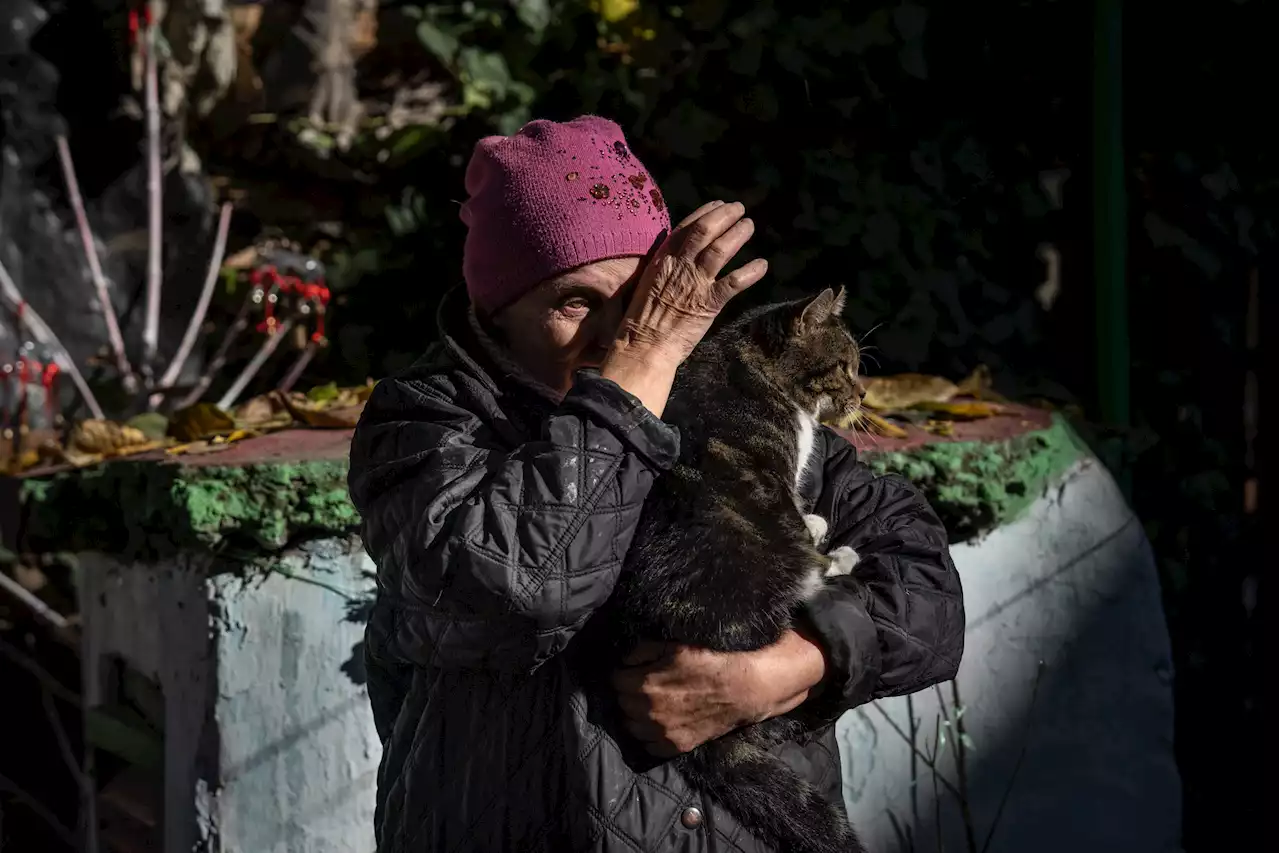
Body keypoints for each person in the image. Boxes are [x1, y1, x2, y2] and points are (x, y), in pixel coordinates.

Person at [348, 115, 965, 853]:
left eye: (639, 295)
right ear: (495, 312)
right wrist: (635, 375)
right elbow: (521, 591)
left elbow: (928, 592)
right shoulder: (425, 422)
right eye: (575, 302)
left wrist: (783, 669)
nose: (618, 331)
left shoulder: (730, 405)